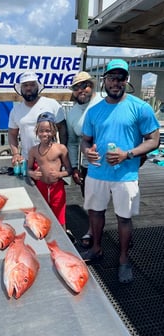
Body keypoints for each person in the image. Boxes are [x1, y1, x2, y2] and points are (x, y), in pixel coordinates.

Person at [80, 59, 160, 283]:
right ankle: (96, 249)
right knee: (95, 213)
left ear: (127, 80)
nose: (116, 82)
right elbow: (86, 141)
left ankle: (124, 259)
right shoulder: (94, 111)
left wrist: (128, 154)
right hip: (97, 173)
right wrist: (88, 153)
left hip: (126, 175)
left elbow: (154, 140)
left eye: (121, 78)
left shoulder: (140, 107)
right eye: (112, 78)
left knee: (124, 218)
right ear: (104, 80)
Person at [66, 71, 103, 248]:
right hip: (89, 166)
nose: (81, 90)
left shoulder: (105, 101)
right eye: (77, 87)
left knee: (122, 205)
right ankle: (91, 230)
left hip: (115, 164)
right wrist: (74, 167)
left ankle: (123, 234)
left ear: (92, 86)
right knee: (91, 202)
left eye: (85, 85)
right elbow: (73, 142)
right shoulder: (72, 114)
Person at [8, 71, 67, 164]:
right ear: (21, 88)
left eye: (32, 84)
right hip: (27, 160)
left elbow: (63, 128)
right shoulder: (15, 110)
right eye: (25, 85)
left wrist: (63, 154)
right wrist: (15, 154)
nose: (29, 88)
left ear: (37, 86)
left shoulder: (52, 104)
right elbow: (12, 134)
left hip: (52, 160)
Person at [28, 112, 72, 231]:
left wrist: (60, 174)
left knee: (60, 218)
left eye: (48, 131)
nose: (44, 134)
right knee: (41, 215)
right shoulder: (33, 151)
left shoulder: (61, 148)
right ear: (37, 131)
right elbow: (28, 169)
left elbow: (69, 170)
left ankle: (63, 240)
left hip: (57, 187)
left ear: (53, 131)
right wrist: (32, 173)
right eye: (41, 131)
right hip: (40, 187)